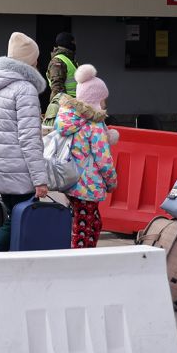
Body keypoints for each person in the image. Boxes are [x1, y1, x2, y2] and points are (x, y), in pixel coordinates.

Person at [0, 33, 48, 251]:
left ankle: (0, 264)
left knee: (13, 218)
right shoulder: (25, 89)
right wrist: (40, 179)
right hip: (20, 172)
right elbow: (29, 138)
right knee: (18, 221)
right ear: (29, 61)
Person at [54, 65, 118, 249]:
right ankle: (80, 260)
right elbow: (103, 159)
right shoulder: (94, 125)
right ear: (95, 99)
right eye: (103, 98)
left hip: (71, 181)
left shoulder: (69, 119)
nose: (105, 103)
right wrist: (111, 181)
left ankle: (83, 257)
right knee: (85, 229)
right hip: (88, 186)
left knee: (90, 222)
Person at [43, 31, 79, 124]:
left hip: (73, 105)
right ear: (68, 42)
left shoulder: (70, 60)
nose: (75, 44)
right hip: (65, 107)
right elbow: (57, 87)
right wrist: (64, 108)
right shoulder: (58, 61)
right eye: (73, 42)